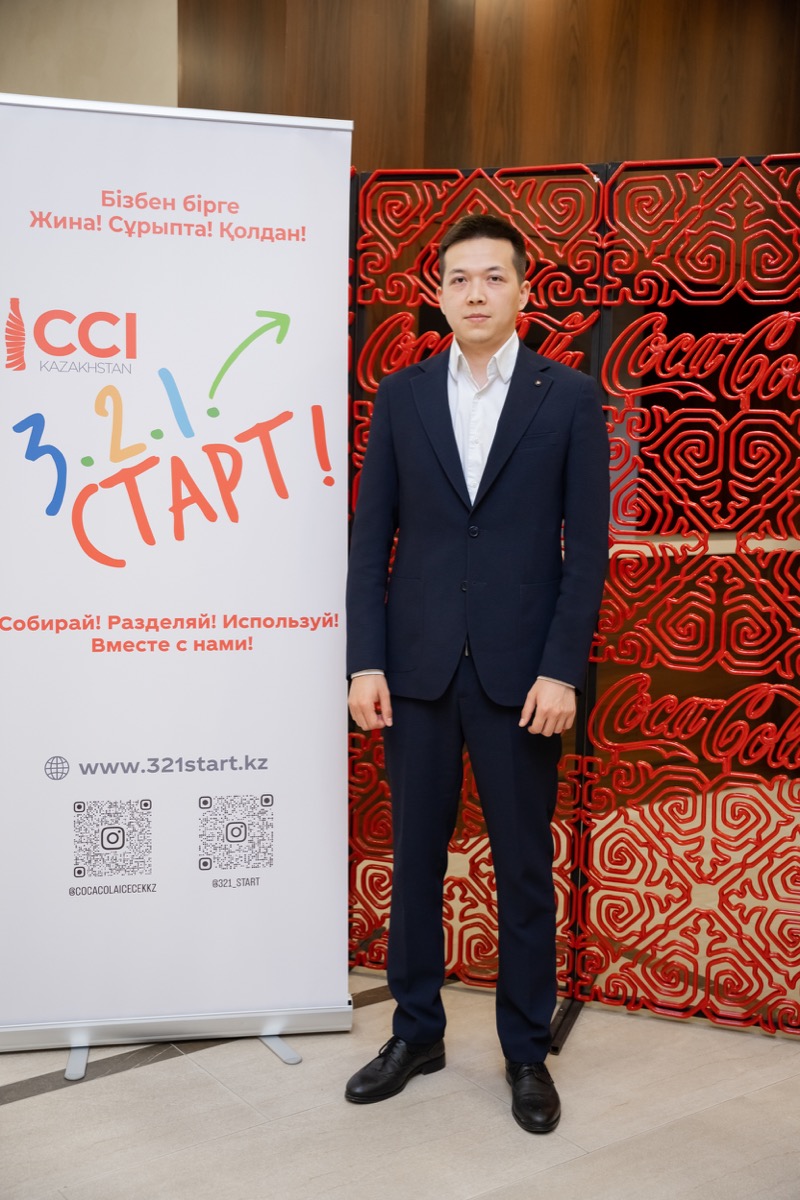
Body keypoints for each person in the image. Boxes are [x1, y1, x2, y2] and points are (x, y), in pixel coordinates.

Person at [345, 213, 609, 1133]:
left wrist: (562, 670)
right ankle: (416, 1033)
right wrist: (365, 660)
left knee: (524, 868)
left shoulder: (568, 397)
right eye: (459, 278)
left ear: (523, 291)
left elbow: (587, 552)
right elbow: (371, 541)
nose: (476, 293)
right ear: (439, 295)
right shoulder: (402, 394)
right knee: (414, 861)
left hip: (522, 680)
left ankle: (526, 1052)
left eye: (494, 277)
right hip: (415, 670)